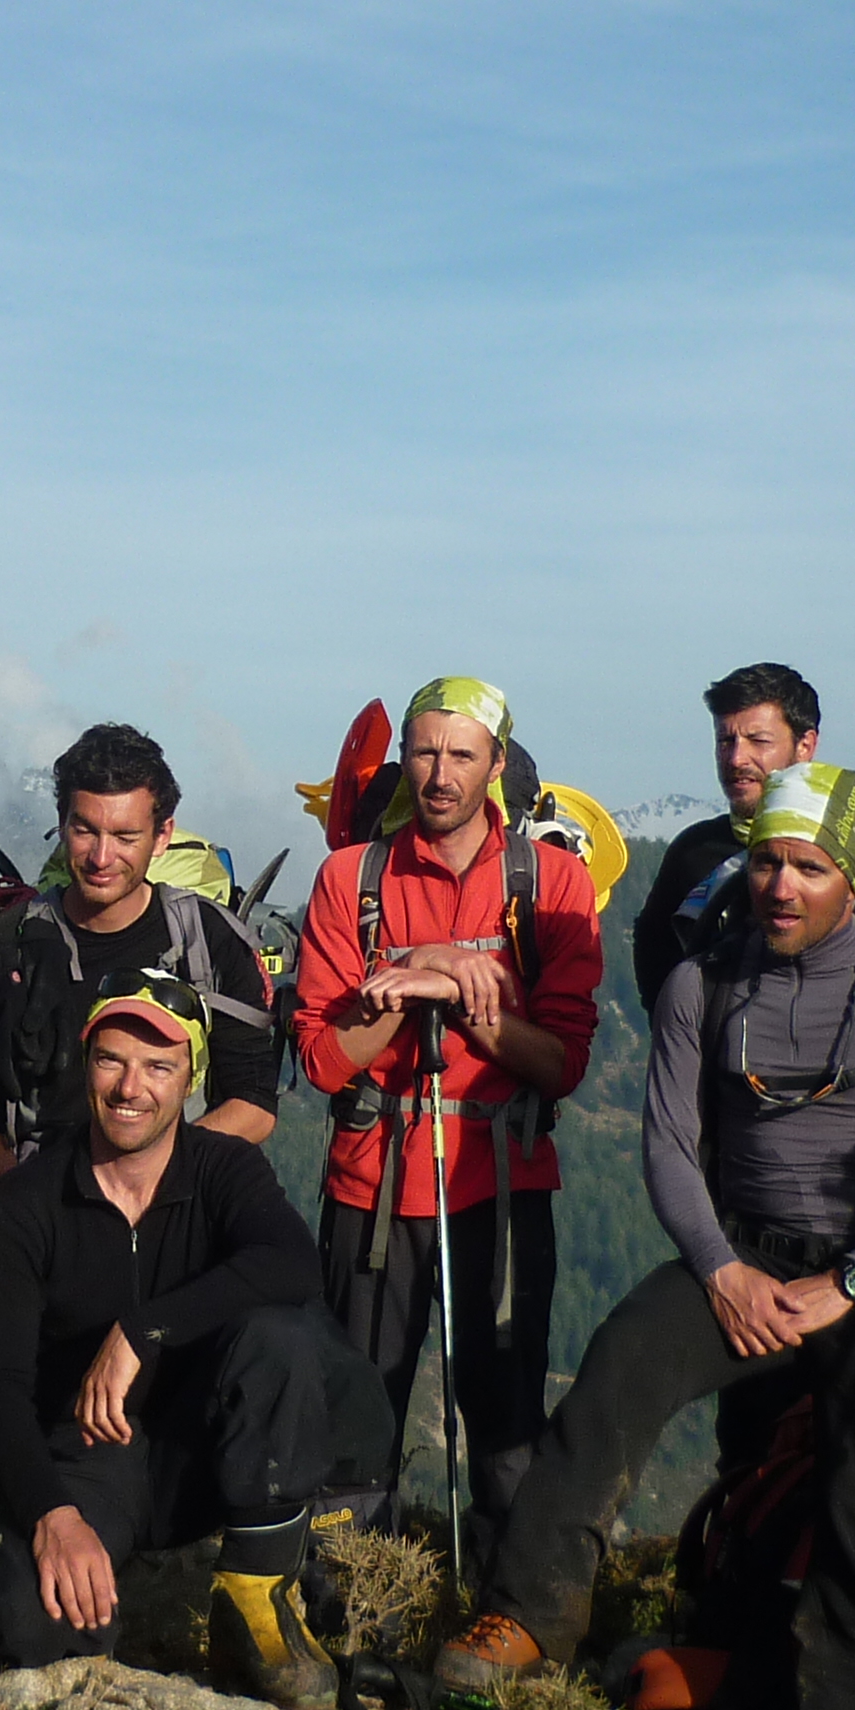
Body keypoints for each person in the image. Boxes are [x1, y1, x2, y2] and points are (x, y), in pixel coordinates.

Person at [438, 764, 855, 1710]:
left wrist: (852, 1280)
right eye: (767, 862)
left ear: (851, 879)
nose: (781, 886)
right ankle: (528, 1616)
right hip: (741, 1253)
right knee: (618, 1371)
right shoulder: (705, 984)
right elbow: (669, 1147)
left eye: (809, 868)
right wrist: (722, 1271)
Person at [0, 979, 384, 1710]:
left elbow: (291, 1264)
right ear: (84, 1066)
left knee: (281, 1334)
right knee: (31, 1625)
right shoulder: (28, 1202)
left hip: (211, 1449)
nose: (131, 1088)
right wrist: (52, 1516)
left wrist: (142, 1329)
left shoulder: (223, 1168)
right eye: (111, 1061)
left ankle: (256, 1596)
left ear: (191, 1080)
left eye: (158, 1067)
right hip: (90, 1456)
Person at [289, 675, 602, 1576]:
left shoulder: (553, 884)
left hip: (497, 1186)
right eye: (424, 752)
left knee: (505, 1423)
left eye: (462, 754)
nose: (439, 773)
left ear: (496, 765)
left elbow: (563, 1065)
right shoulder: (350, 878)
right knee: (358, 1418)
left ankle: (510, 1614)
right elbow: (322, 1061)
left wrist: (445, 983)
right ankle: (353, 1608)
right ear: (404, 759)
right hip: (372, 1187)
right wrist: (434, 980)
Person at [0, 723, 278, 1192]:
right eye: (85, 831)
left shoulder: (210, 940)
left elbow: (254, 1103)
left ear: (162, 836)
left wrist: (146, 1179)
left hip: (174, 1209)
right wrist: (23, 1211)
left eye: (126, 836)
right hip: (41, 1207)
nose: (102, 857)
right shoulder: (5, 944)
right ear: (62, 824)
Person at [631, 663, 827, 1012]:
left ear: (805, 745)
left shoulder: (842, 849)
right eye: (725, 741)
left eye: (758, 741)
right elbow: (654, 955)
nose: (737, 758)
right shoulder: (694, 852)